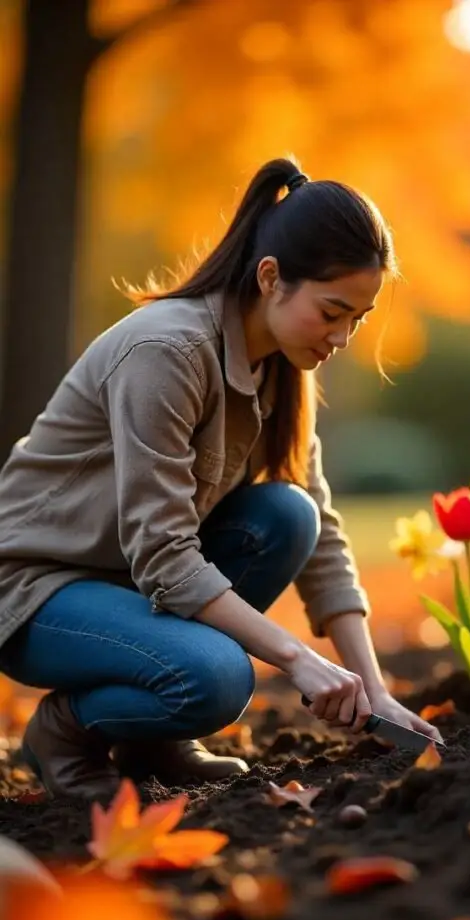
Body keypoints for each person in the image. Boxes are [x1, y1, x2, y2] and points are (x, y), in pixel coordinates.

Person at [0, 157, 443, 802]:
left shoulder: (283, 365)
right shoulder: (167, 353)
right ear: (271, 278)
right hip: (37, 589)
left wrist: (375, 691)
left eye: (358, 318)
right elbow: (164, 556)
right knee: (216, 678)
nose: (343, 336)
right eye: (332, 311)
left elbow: (322, 543)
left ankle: (155, 741)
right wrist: (298, 658)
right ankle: (62, 734)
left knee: (290, 516)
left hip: (127, 582)